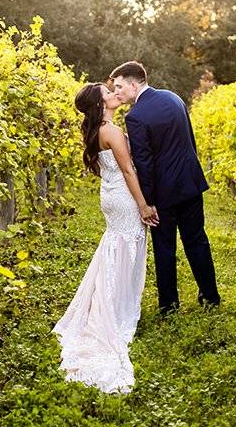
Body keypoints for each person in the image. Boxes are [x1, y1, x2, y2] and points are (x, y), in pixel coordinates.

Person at [52, 82, 158, 394]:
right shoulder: (110, 129)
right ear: (101, 103)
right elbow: (127, 171)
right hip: (124, 197)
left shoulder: (98, 129)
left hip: (110, 195)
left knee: (117, 246)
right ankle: (116, 306)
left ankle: (114, 299)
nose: (114, 93)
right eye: (107, 92)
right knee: (126, 247)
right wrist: (143, 205)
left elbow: (108, 170)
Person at [111, 60, 220, 315]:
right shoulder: (174, 98)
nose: (117, 92)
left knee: (165, 248)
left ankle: (169, 305)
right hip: (190, 184)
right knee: (197, 240)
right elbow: (189, 141)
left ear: (134, 83)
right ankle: (210, 296)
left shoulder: (135, 116)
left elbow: (145, 163)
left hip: (163, 194)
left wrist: (147, 202)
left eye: (119, 87)